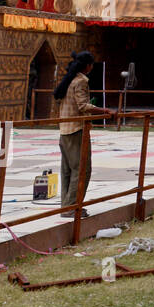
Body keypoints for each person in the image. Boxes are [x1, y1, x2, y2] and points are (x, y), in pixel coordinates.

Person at [55, 51, 109, 218]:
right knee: (82, 170)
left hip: (65, 130)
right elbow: (83, 105)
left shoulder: (69, 80)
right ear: (88, 66)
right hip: (76, 129)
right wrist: (105, 111)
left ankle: (67, 206)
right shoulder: (80, 81)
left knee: (68, 170)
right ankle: (71, 207)